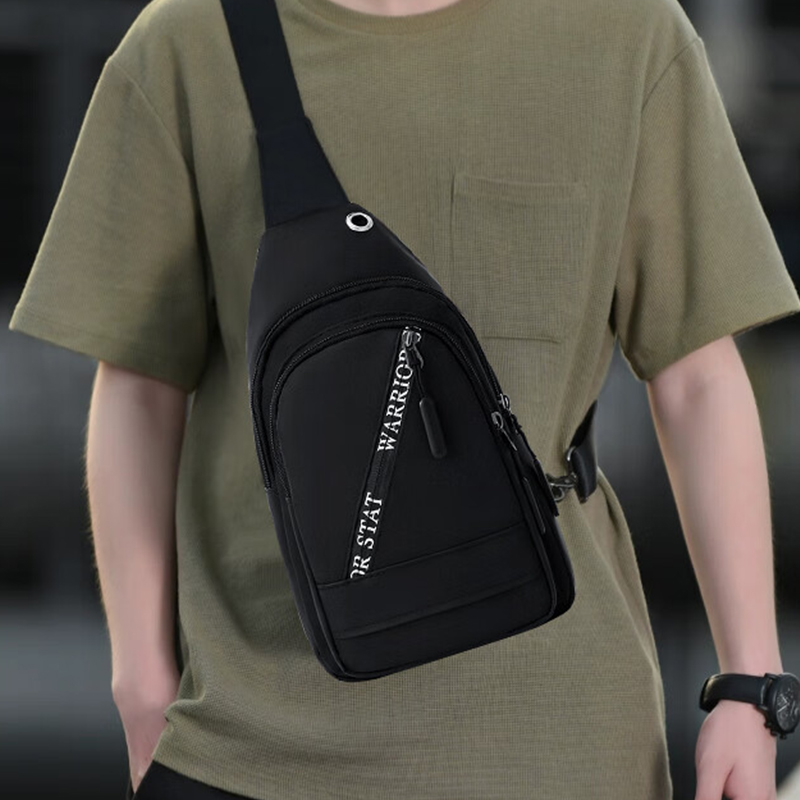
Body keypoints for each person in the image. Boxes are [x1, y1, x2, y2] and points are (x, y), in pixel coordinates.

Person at [9, 0, 800, 797]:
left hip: (556, 745)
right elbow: (140, 387)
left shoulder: (626, 35)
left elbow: (698, 380)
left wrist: (752, 686)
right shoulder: (186, 42)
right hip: (246, 745)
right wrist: (141, 683)